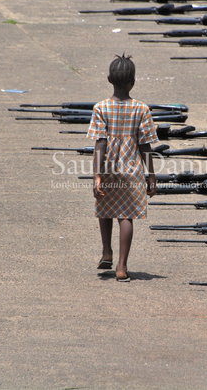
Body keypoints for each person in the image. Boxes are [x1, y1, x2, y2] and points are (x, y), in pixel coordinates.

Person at [86, 54, 158, 282]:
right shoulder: (141, 109)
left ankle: (106, 251)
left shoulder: (101, 108)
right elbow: (145, 144)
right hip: (132, 168)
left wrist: (97, 174)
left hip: (107, 165)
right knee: (126, 215)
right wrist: (151, 175)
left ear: (109, 79)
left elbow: (100, 143)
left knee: (105, 206)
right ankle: (121, 267)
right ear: (133, 82)